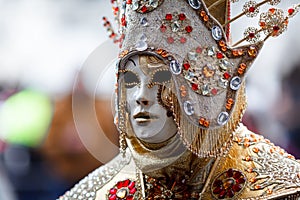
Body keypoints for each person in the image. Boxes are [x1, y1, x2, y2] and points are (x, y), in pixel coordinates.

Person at [59, 0, 300, 199]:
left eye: (162, 77)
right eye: (131, 80)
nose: (142, 96)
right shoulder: (93, 193)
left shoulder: (286, 189)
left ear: (207, 89)